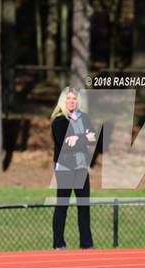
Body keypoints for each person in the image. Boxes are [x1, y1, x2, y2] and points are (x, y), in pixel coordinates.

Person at [50, 86, 96, 250]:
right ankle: (58, 243)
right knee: (62, 205)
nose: (71, 101)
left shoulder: (83, 118)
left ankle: (87, 243)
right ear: (63, 101)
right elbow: (65, 145)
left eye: (74, 98)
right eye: (68, 98)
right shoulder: (59, 121)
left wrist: (77, 138)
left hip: (81, 167)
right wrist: (83, 137)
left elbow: (93, 139)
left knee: (84, 206)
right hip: (65, 168)